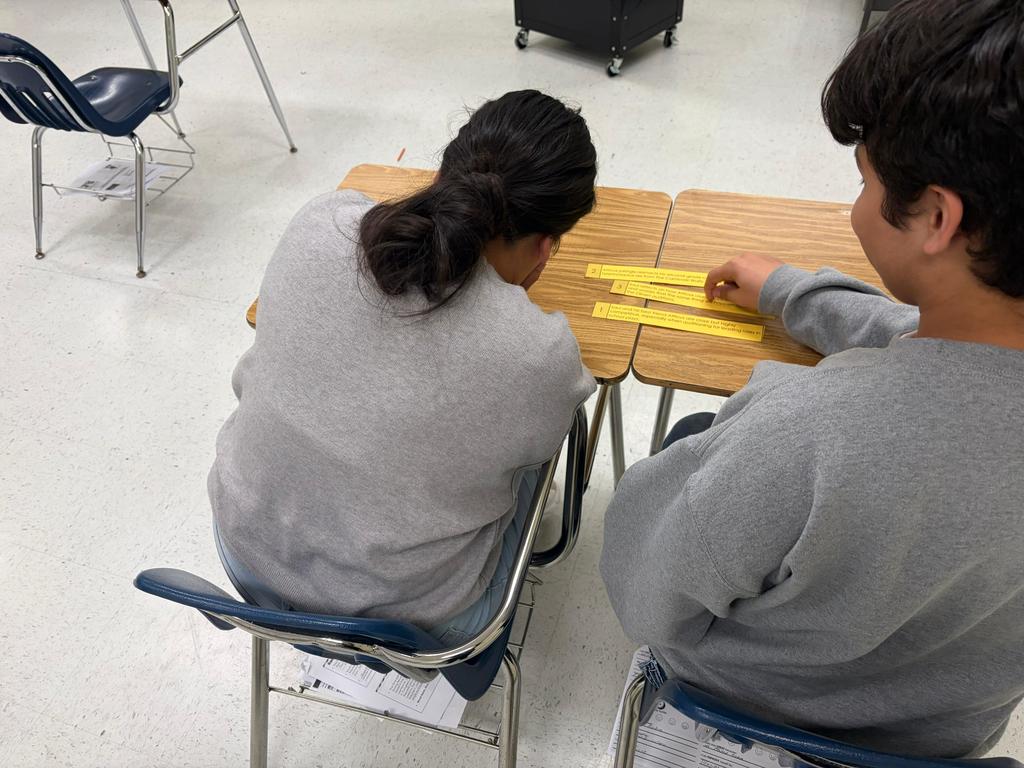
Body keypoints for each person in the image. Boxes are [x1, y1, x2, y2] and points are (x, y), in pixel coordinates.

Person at [601, 0, 1024, 757]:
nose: (858, 201)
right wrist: (796, 295)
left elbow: (645, 594)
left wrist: (690, 467)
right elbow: (963, 367)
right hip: (940, 739)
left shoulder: (802, 431)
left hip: (748, 707)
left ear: (935, 216)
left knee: (687, 451)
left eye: (863, 180)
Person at [209, 89, 597, 645]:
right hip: (405, 617)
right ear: (545, 247)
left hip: (246, 552)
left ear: (445, 176)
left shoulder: (323, 221)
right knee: (539, 448)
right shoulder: (537, 351)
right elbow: (531, 448)